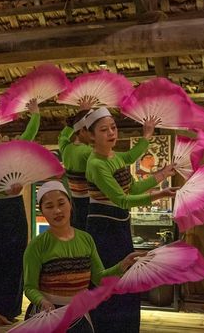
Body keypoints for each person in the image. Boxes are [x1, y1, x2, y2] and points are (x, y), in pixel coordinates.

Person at [84, 107, 177, 333]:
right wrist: (160, 194)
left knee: (126, 275)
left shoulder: (114, 157)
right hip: (103, 227)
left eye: (113, 128)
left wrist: (162, 174)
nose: (111, 133)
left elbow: (132, 184)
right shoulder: (96, 164)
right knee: (111, 278)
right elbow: (122, 199)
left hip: (119, 224)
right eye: (104, 130)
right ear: (91, 136)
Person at [23, 181, 143, 332]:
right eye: (49, 206)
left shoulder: (86, 239)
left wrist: (123, 264)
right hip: (48, 315)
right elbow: (29, 287)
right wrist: (42, 302)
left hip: (78, 316)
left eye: (61, 203)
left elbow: (99, 278)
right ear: (42, 211)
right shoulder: (37, 245)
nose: (57, 210)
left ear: (70, 205)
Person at [0, 101, 40, 325]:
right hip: (12, 209)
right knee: (14, 258)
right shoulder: (11, 152)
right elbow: (30, 133)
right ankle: (9, 307)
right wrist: (35, 113)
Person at [58, 109, 94, 231]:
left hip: (74, 201)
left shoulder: (66, 148)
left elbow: (62, 136)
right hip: (90, 202)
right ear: (83, 131)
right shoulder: (89, 152)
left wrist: (77, 118)